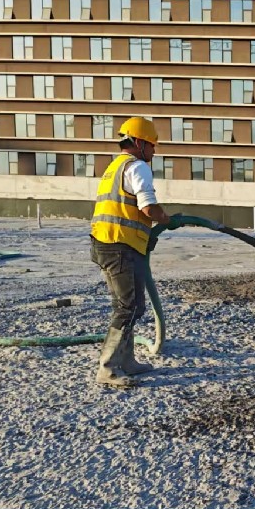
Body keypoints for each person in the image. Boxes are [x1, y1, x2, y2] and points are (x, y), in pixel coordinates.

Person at [89, 116, 173, 386]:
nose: (154, 151)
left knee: (129, 306)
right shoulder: (137, 167)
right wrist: (166, 218)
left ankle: (126, 361)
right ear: (139, 143)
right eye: (151, 145)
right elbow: (147, 206)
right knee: (128, 308)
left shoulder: (114, 167)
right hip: (120, 246)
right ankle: (109, 367)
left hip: (106, 243)